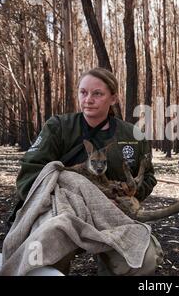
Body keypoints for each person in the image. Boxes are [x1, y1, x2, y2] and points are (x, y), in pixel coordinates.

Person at [10, 67, 161, 275]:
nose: (88, 99)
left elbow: (149, 177)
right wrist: (68, 200)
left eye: (97, 93)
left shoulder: (132, 135)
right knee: (43, 254)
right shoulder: (59, 127)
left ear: (113, 98)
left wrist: (128, 196)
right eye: (83, 92)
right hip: (62, 214)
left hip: (112, 216)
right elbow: (30, 175)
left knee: (143, 260)